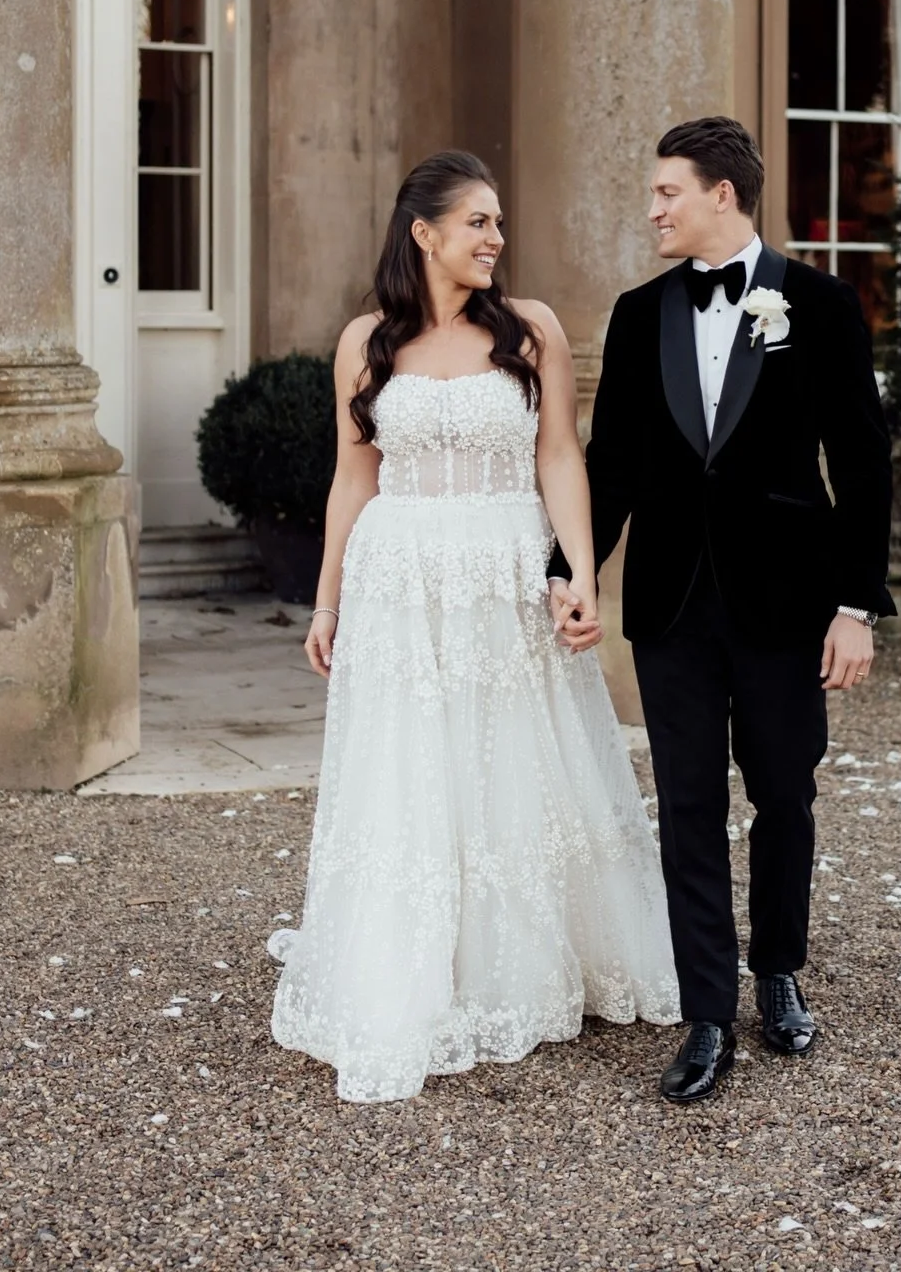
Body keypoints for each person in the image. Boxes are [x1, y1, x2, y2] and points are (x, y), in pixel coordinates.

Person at [270, 151, 678, 1103]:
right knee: (412, 765)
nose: (497, 239)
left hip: (504, 567)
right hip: (400, 580)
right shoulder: (364, 341)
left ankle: (531, 958)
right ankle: (417, 960)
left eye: (499, 223)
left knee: (515, 758)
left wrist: (579, 571)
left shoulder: (531, 331)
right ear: (423, 234)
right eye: (478, 223)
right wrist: (326, 600)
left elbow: (562, 458)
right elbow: (353, 476)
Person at [550, 116, 894, 1105]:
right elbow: (610, 462)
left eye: (667, 192)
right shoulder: (636, 312)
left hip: (789, 605)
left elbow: (863, 464)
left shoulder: (819, 306)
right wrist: (571, 568)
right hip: (672, 607)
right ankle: (707, 1012)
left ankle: (777, 969)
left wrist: (855, 606)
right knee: (689, 808)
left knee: (784, 792)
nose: (652, 208)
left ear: (723, 197)